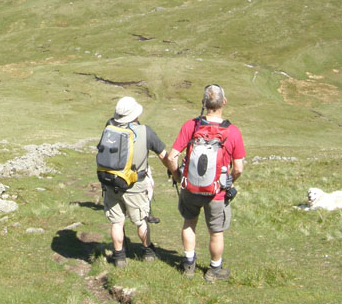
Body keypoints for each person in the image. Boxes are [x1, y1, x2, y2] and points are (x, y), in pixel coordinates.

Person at [166, 84, 245, 281]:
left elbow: (171, 156)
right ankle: (214, 270)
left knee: (189, 223)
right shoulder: (233, 132)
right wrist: (228, 183)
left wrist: (178, 177)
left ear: (203, 103)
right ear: (223, 102)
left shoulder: (191, 126)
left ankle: (189, 264)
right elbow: (239, 168)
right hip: (217, 191)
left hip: (190, 188)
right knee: (216, 232)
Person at [100, 96, 174, 268]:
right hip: (135, 185)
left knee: (117, 222)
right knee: (141, 220)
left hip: (111, 183)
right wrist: (173, 172)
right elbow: (163, 155)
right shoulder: (145, 131)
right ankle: (148, 252)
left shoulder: (109, 127)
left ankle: (119, 258)